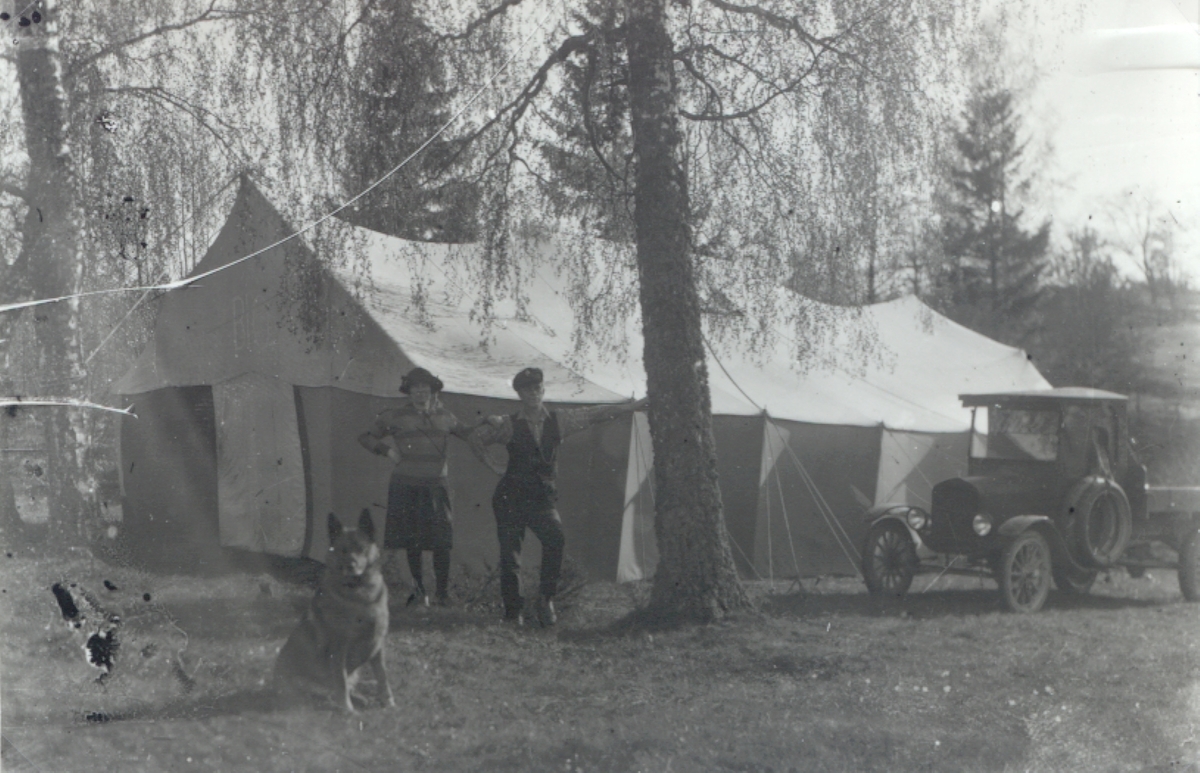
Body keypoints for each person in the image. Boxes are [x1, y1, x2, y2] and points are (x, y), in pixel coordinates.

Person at [470, 367, 648, 626]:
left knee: (555, 539)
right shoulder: (508, 424)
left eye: (537, 388)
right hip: (511, 497)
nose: (533, 394)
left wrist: (632, 406)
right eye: (527, 390)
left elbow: (595, 414)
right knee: (510, 556)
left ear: (543, 390)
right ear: (520, 394)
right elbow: (475, 438)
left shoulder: (560, 420)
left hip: (541, 499)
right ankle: (513, 612)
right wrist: (493, 463)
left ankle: (546, 600)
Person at [358, 367, 477, 607]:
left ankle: (442, 594)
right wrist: (388, 451)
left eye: (425, 387)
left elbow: (469, 434)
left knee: (441, 542)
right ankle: (420, 591)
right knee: (413, 542)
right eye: (415, 387)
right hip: (406, 484)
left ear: (433, 391)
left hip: (436, 485)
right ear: (408, 391)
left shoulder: (446, 416)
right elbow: (366, 437)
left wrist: (489, 422)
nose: (420, 392)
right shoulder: (395, 416)